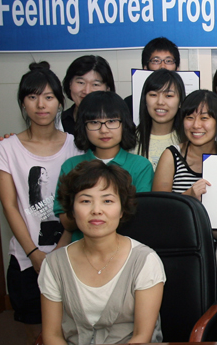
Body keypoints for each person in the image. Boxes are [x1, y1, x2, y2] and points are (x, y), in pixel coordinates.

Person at [0, 63, 82, 344]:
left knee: (73, 331)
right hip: (25, 258)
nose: (41, 105)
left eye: (49, 97)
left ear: (60, 103)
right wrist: (33, 253)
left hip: (71, 252)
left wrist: (61, 247)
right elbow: (9, 206)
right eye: (32, 97)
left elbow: (78, 203)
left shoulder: (76, 146)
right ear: (22, 103)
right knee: (36, 334)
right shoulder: (5, 148)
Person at [39, 160, 165, 345]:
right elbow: (52, 336)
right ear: (72, 210)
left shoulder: (145, 260)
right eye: (85, 201)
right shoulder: (54, 264)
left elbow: (141, 337)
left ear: (122, 210)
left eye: (107, 201)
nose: (96, 210)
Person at [53, 91, 153, 243]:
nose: (104, 130)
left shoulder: (140, 166)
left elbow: (138, 217)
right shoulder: (71, 166)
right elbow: (66, 222)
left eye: (112, 121)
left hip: (126, 249)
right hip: (81, 249)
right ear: (83, 126)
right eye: (94, 122)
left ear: (124, 124)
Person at [152, 90, 217, 198]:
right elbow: (158, 204)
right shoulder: (171, 156)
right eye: (190, 118)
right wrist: (189, 196)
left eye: (204, 118)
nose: (196, 125)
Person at [135, 69, 185, 170]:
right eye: (153, 95)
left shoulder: (187, 140)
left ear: (180, 102)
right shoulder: (131, 139)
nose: (160, 102)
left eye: (168, 96)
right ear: (145, 100)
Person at [124, 37, 181, 115]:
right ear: (145, 67)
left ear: (177, 68)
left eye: (168, 61)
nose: (163, 66)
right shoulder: (129, 103)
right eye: (156, 61)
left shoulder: (187, 102)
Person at [61, 55, 116, 134]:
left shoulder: (118, 121)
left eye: (95, 84)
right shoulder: (58, 122)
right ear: (69, 84)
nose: (87, 91)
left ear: (107, 89)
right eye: (81, 82)